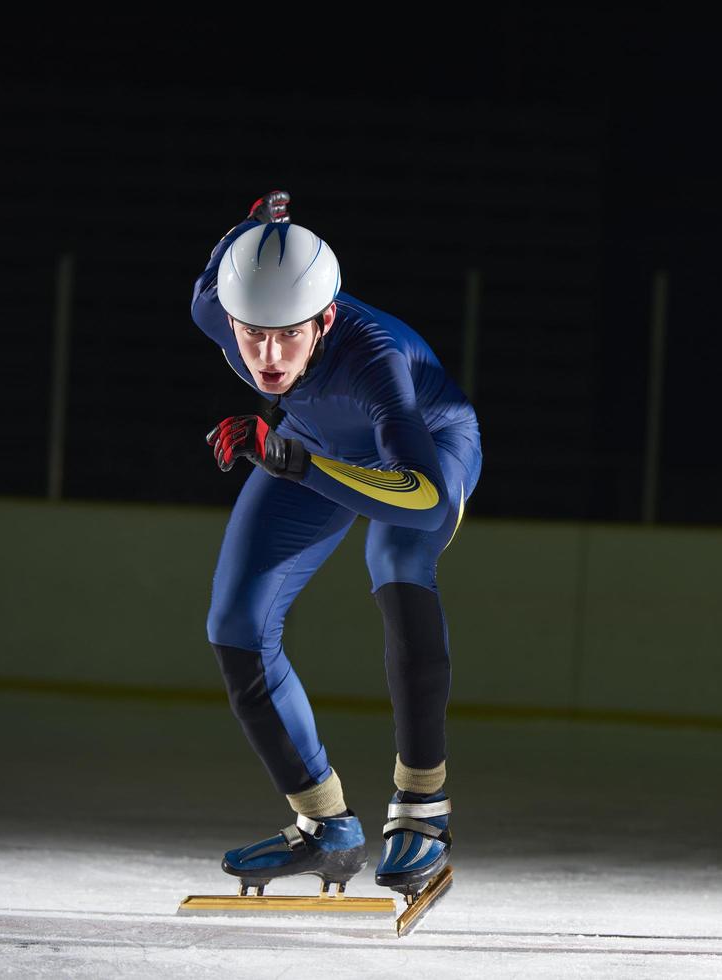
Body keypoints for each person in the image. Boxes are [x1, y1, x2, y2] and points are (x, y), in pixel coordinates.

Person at [190, 191, 481, 901]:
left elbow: (424, 497)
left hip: (426, 447)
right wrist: (264, 222)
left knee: (396, 560)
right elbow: (230, 248)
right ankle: (326, 827)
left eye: (289, 334)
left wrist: (293, 462)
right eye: (251, 334)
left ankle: (424, 809)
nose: (267, 357)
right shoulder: (214, 307)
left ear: (325, 318)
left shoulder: (373, 360)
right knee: (235, 626)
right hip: (314, 446)